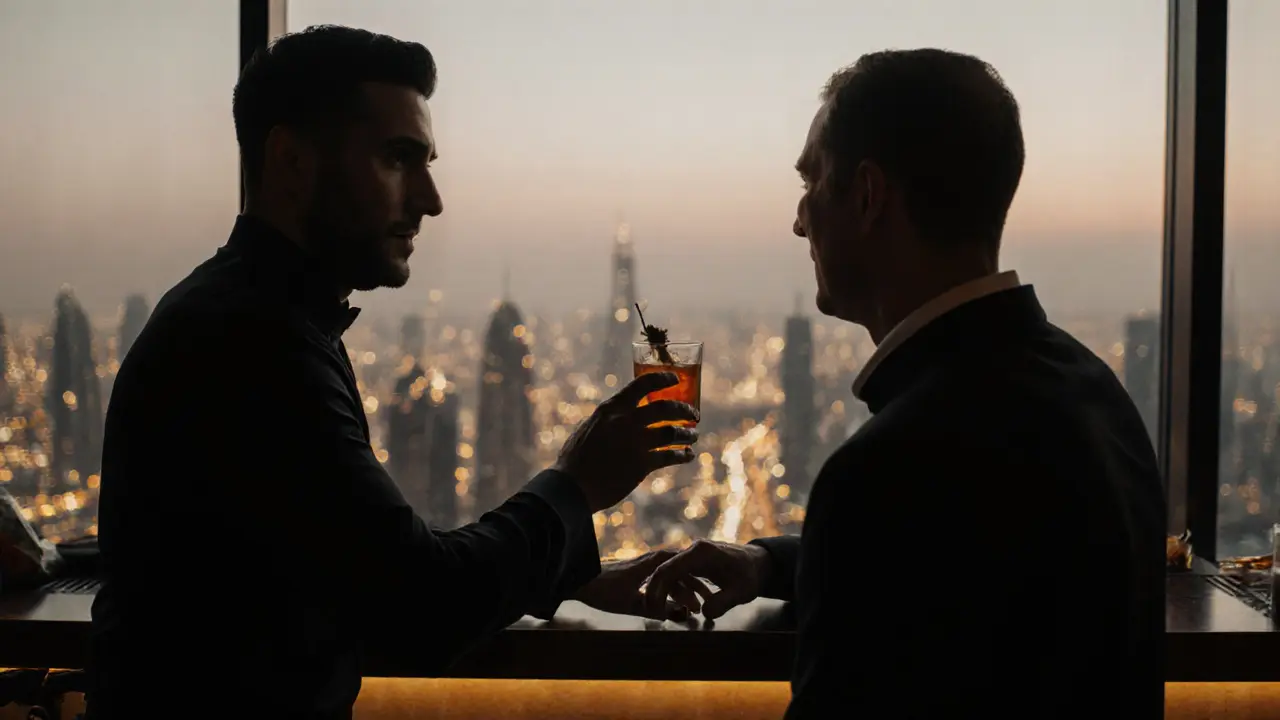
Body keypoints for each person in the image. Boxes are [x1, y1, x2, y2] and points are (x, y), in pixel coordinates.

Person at [87, 26, 698, 719]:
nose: (431, 199)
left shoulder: (252, 313)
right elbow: (421, 608)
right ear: (290, 159)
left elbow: (358, 549)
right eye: (398, 160)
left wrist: (557, 574)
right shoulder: (255, 342)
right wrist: (576, 483)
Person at [644, 49, 1166, 719]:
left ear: (867, 196)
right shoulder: (1094, 392)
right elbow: (970, 564)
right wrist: (771, 565)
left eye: (813, 183)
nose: (799, 220)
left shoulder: (890, 466)